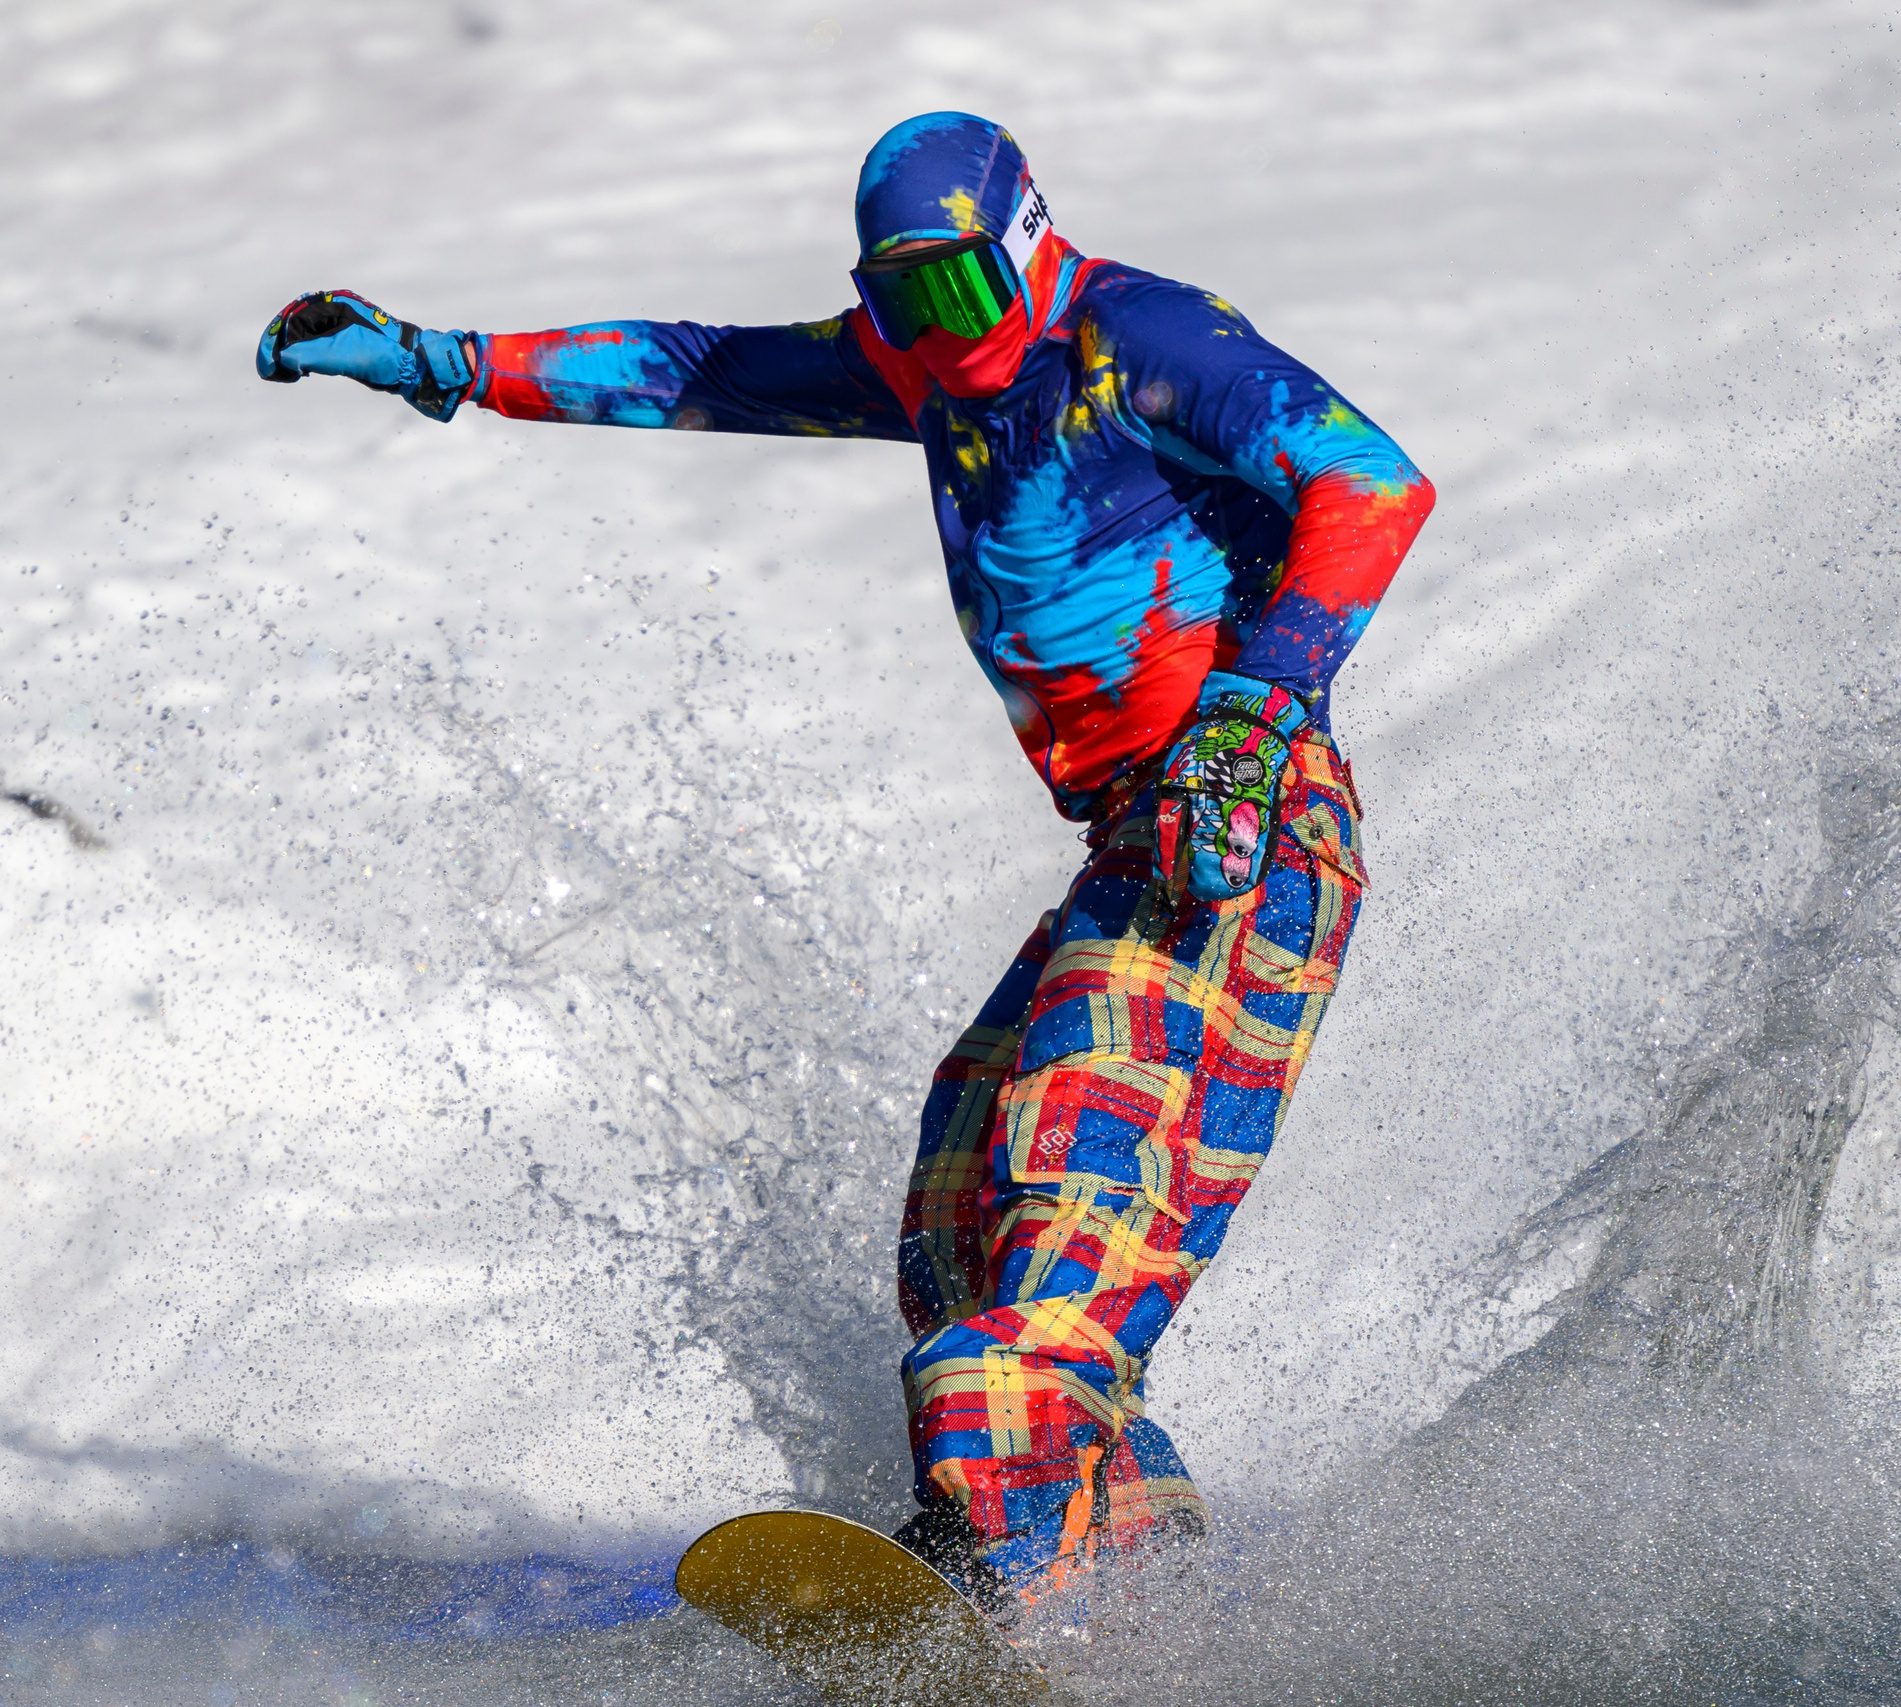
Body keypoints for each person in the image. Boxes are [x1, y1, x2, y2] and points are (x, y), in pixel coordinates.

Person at [257, 111, 1433, 1604]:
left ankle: (1011, 1579)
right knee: (959, 1210)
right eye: (898, 298)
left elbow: (1372, 482)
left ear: (1024, 243)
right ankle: (1130, 1576)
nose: (937, 333)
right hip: (1134, 842)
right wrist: (449, 362)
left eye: (958, 288)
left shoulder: (1137, 338)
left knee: (1068, 1182)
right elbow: (697, 370)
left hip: (1242, 830)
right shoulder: (919, 363)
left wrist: (1252, 711)